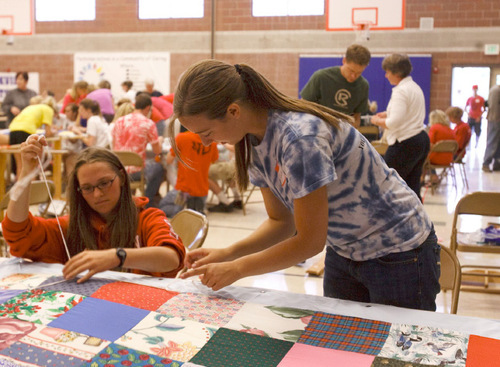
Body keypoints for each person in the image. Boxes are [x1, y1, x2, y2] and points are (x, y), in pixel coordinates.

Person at [172, 60, 440, 312]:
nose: (205, 143)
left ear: (233, 111)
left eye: (207, 133)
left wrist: (239, 268)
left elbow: (310, 242)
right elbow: (282, 222)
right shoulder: (254, 141)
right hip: (345, 251)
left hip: (399, 253)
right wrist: (228, 254)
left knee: (396, 355)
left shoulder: (299, 138)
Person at [2, 140, 185, 281]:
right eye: (87, 188)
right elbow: (17, 233)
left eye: (105, 183)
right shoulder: (72, 226)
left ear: (121, 177)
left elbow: (171, 257)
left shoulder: (147, 218)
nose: (97, 194)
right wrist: (27, 172)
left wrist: (116, 256)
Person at [371, 54, 429, 202]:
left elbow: (393, 123)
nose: (386, 75)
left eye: (387, 72)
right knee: (412, 185)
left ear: (396, 73)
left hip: (405, 143)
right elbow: (407, 113)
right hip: (420, 139)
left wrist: (376, 120)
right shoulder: (414, 87)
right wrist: (387, 114)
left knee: (389, 184)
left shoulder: (401, 91)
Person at [111, 93, 165, 208]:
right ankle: (148, 203)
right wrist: (159, 140)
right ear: (148, 108)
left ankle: (129, 201)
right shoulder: (148, 124)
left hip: (118, 169)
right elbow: (157, 151)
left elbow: (115, 144)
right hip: (136, 172)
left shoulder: (119, 121)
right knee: (159, 168)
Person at [300, 44, 371, 128]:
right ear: (344, 61)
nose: (353, 76)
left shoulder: (363, 85)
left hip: (342, 133)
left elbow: (356, 118)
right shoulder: (321, 77)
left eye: (359, 73)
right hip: (317, 128)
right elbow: (303, 105)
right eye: (351, 71)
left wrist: (348, 133)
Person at [160, 129, 219, 217]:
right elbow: (214, 160)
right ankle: (193, 211)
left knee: (161, 207)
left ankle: (181, 212)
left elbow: (169, 160)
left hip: (183, 190)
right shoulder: (211, 142)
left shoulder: (182, 137)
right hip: (202, 191)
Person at [8, 96, 57, 178]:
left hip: (13, 129)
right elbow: (48, 133)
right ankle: (30, 189)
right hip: (25, 130)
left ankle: (19, 189)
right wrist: (55, 132)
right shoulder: (49, 109)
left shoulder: (33, 107)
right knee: (28, 166)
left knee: (19, 165)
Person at [482, 83, 500, 172]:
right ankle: (486, 163)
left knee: (498, 143)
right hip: (495, 120)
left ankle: (497, 163)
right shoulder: (496, 90)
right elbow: (493, 106)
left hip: (497, 120)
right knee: (492, 141)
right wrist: (496, 119)